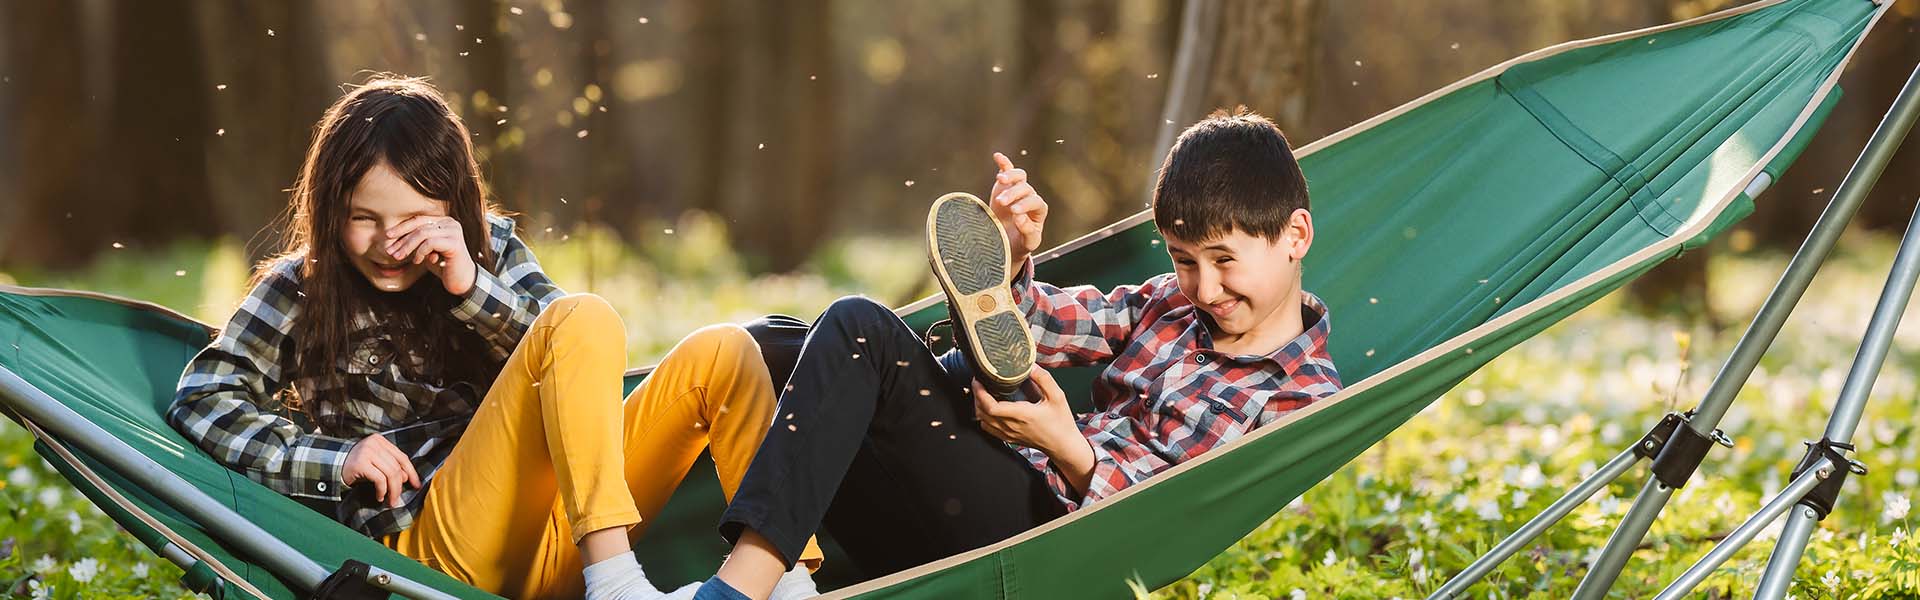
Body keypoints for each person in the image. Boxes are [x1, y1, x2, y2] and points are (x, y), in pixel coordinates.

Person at [167, 74, 820, 600]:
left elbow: (569, 347)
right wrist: (336, 458)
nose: (391, 244)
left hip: (561, 541)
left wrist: (471, 290)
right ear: (330, 209)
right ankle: (620, 588)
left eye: (418, 219)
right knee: (582, 316)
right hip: (431, 551)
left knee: (726, 353)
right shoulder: (301, 287)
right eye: (364, 219)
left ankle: (787, 580)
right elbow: (201, 399)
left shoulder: (492, 251)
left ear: (456, 206)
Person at [687, 108, 1345, 600]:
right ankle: (783, 573)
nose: (1204, 288)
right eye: (1183, 261)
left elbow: (1194, 529)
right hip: (965, 511)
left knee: (860, 329)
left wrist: (1071, 449)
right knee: (779, 347)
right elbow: (1035, 329)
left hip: (1048, 553)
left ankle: (736, 590)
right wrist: (1011, 254)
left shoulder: (1305, 400)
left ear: (1295, 235)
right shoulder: (1169, 306)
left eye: (1224, 261)